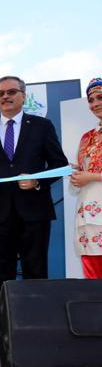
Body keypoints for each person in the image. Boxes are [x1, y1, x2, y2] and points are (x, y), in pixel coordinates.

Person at [0, 76, 68, 351]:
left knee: (35, 272)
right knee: (0, 274)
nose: (6, 96)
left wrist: (38, 181)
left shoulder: (41, 126)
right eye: (0, 93)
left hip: (34, 213)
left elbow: (59, 164)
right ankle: (1, 328)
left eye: (11, 91)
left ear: (23, 95)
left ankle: (37, 329)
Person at [71, 77, 102, 278]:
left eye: (100, 97)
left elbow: (91, 175)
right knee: (93, 278)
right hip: (88, 214)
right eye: (91, 100)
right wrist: (75, 173)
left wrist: (92, 176)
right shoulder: (87, 137)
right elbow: (83, 174)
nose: (95, 104)